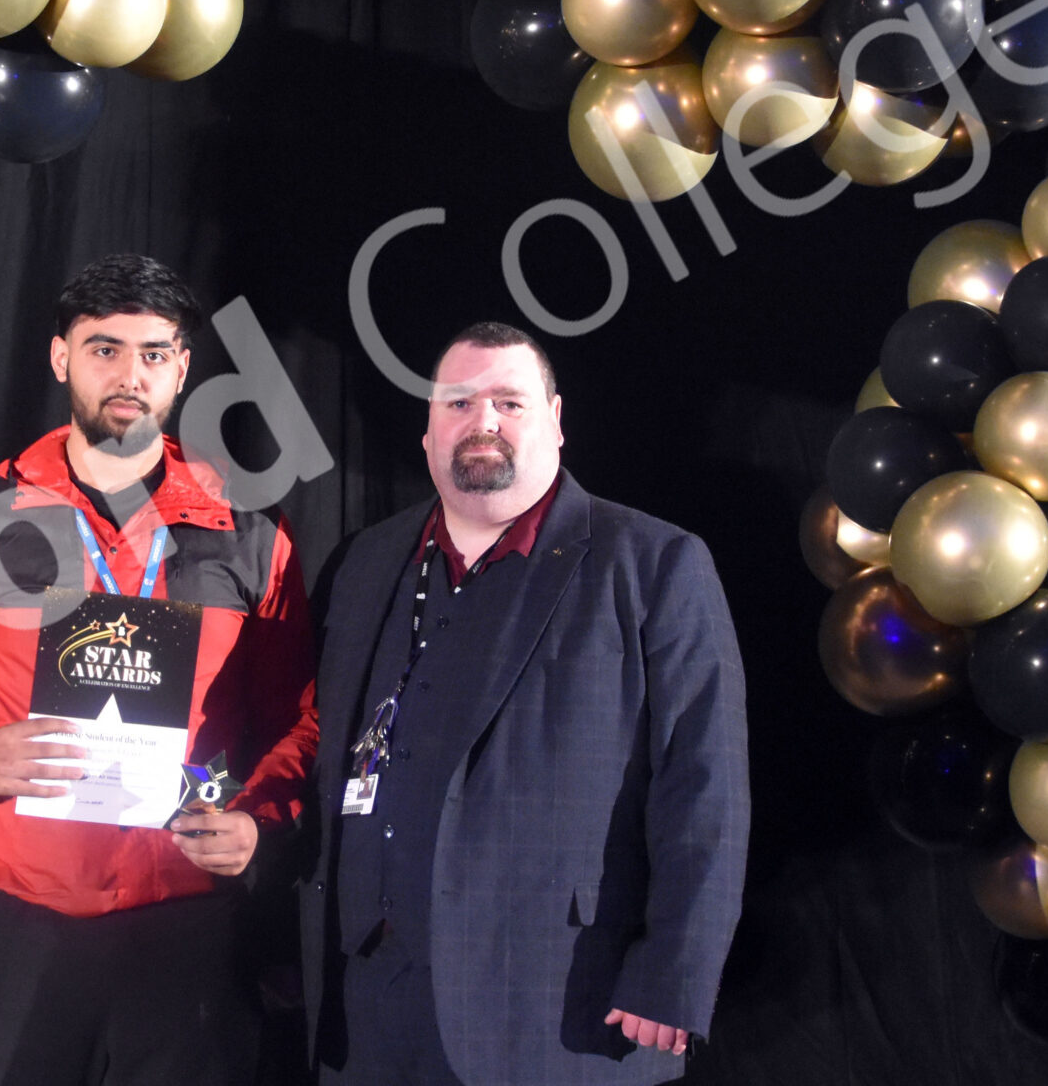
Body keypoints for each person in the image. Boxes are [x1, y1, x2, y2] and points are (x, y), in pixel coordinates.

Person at [0, 254, 318, 1086]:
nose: (130, 375)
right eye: (105, 349)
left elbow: (302, 718)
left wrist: (258, 822)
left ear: (182, 369)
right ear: (61, 357)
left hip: (187, 928)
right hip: (14, 926)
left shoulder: (250, 534)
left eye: (153, 353)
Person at [303, 322, 749, 1086]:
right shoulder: (364, 561)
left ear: (556, 419)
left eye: (509, 402)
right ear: (428, 428)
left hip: (554, 1006)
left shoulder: (655, 563)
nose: (483, 421)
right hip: (367, 1008)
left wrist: (674, 972)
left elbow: (706, 785)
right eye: (458, 402)